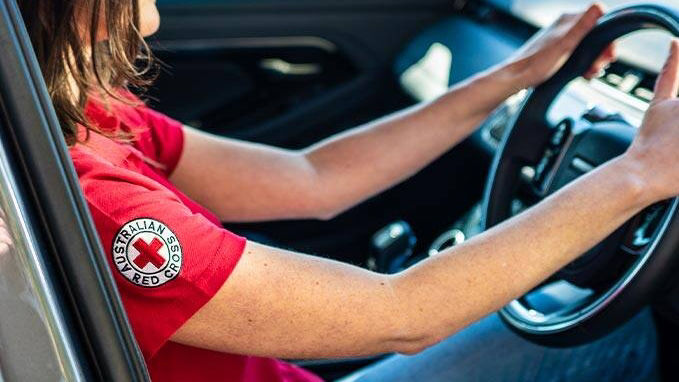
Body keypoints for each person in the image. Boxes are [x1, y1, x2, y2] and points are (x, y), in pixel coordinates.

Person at [17, 0, 676, 381]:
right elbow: (405, 316)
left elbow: (314, 179)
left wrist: (515, 74)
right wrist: (637, 172)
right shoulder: (99, 208)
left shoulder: (79, 117)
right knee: (617, 337)